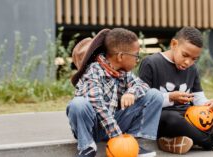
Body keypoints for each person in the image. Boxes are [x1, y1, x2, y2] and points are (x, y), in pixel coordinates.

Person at [139, 26, 213, 154]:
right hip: (164, 119)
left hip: (189, 116)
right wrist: (170, 97)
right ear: (174, 44)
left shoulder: (192, 69)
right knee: (173, 118)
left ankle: (187, 139)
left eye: (194, 59)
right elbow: (143, 101)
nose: (188, 62)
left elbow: (198, 99)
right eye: (185, 55)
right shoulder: (151, 63)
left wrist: (210, 105)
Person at [66, 28, 163, 157]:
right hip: (93, 127)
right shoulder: (94, 71)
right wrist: (117, 136)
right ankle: (87, 147)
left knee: (154, 95)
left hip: (114, 123)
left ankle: (132, 144)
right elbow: (97, 105)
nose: (137, 60)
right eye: (136, 55)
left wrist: (131, 93)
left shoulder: (123, 73)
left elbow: (142, 85)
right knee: (77, 104)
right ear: (121, 56)